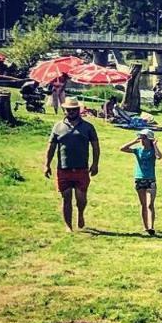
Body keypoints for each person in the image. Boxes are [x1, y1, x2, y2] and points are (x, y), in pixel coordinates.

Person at [45, 98, 100, 232]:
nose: (71, 112)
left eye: (74, 109)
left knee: (81, 198)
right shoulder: (58, 126)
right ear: (65, 110)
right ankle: (68, 226)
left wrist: (95, 164)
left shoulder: (88, 127)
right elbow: (51, 147)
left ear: (79, 110)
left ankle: (80, 214)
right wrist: (46, 164)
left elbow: (95, 146)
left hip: (82, 168)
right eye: (69, 110)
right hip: (63, 168)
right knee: (66, 198)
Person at [120, 128, 162, 235]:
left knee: (150, 204)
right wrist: (134, 141)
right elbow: (122, 148)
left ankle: (151, 227)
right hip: (139, 179)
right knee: (143, 204)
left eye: (144, 138)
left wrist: (155, 145)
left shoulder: (152, 151)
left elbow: (159, 156)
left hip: (150, 179)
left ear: (149, 139)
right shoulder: (138, 150)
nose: (142, 140)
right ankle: (145, 227)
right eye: (141, 138)